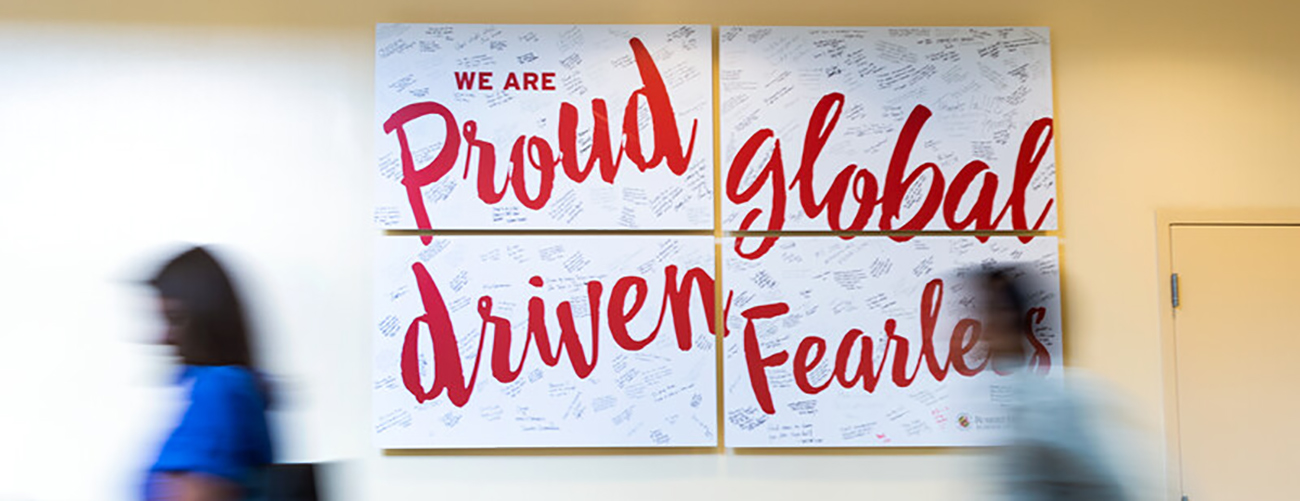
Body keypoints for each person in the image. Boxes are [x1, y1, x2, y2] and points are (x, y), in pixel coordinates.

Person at [978, 265, 1129, 501]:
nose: (983, 332)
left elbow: (1111, 490)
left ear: (1011, 320)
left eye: (990, 314)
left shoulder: (1053, 404)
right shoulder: (1019, 403)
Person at [143, 246, 274, 501]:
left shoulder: (220, 391)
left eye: (174, 318)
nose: (163, 337)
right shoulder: (240, 390)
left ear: (206, 317)